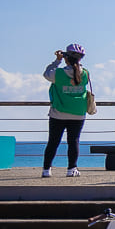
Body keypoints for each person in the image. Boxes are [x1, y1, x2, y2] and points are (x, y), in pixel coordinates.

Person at [42, 43, 92, 178]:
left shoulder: (57, 74)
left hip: (58, 113)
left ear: (66, 57)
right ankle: (72, 169)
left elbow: (46, 74)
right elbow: (76, 75)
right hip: (78, 113)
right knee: (74, 141)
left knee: (53, 142)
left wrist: (57, 61)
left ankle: (46, 170)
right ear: (80, 59)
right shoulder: (85, 74)